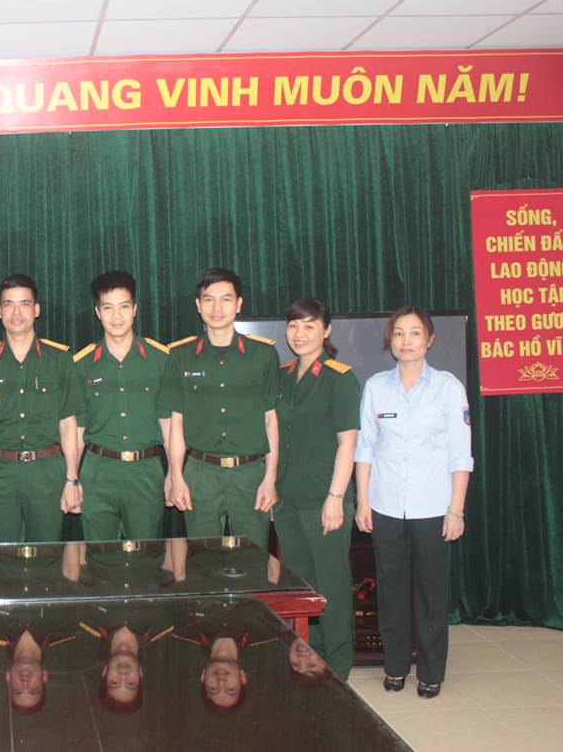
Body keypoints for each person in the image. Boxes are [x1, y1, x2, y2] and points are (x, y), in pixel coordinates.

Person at [355, 306, 472, 699]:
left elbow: (461, 454)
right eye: (399, 333)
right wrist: (362, 501)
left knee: (430, 592)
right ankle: (395, 666)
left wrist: (456, 509)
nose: (407, 341)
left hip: (433, 507)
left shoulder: (448, 388)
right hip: (385, 504)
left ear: (430, 339)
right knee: (390, 591)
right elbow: (365, 448)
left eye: (415, 333)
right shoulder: (376, 387)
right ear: (390, 339)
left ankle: (431, 672)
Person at [160, 268, 280, 549]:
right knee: (203, 563)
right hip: (200, 474)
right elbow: (176, 423)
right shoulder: (180, 357)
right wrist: (177, 476)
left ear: (239, 304)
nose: (217, 308)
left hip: (250, 475)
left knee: (253, 560)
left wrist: (270, 478)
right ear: (198, 305)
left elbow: (271, 420)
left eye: (226, 299)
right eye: (209, 300)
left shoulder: (263, 355)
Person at [272, 298, 360, 681]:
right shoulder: (283, 375)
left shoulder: (340, 379)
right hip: (288, 499)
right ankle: (309, 657)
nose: (300, 334)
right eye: (294, 325)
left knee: (331, 585)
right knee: (302, 587)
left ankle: (337, 666)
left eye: (310, 326)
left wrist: (336, 498)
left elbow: (348, 443)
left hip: (325, 501)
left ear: (326, 331)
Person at [0, 274, 82, 542]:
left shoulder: (59, 360)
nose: (16, 312)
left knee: (47, 555)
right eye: (8, 304)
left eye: (24, 304)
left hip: (47, 472)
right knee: (1, 556)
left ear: (36, 310)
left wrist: (72, 479)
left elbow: (68, 424)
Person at [71, 271, 170, 541]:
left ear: (134, 309)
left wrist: (174, 473)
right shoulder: (82, 364)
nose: (116, 316)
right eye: (108, 308)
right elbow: (77, 429)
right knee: (99, 556)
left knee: (147, 555)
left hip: (146, 471)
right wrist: (72, 478)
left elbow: (170, 424)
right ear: (98, 312)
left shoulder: (160, 360)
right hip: (97, 472)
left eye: (124, 307)